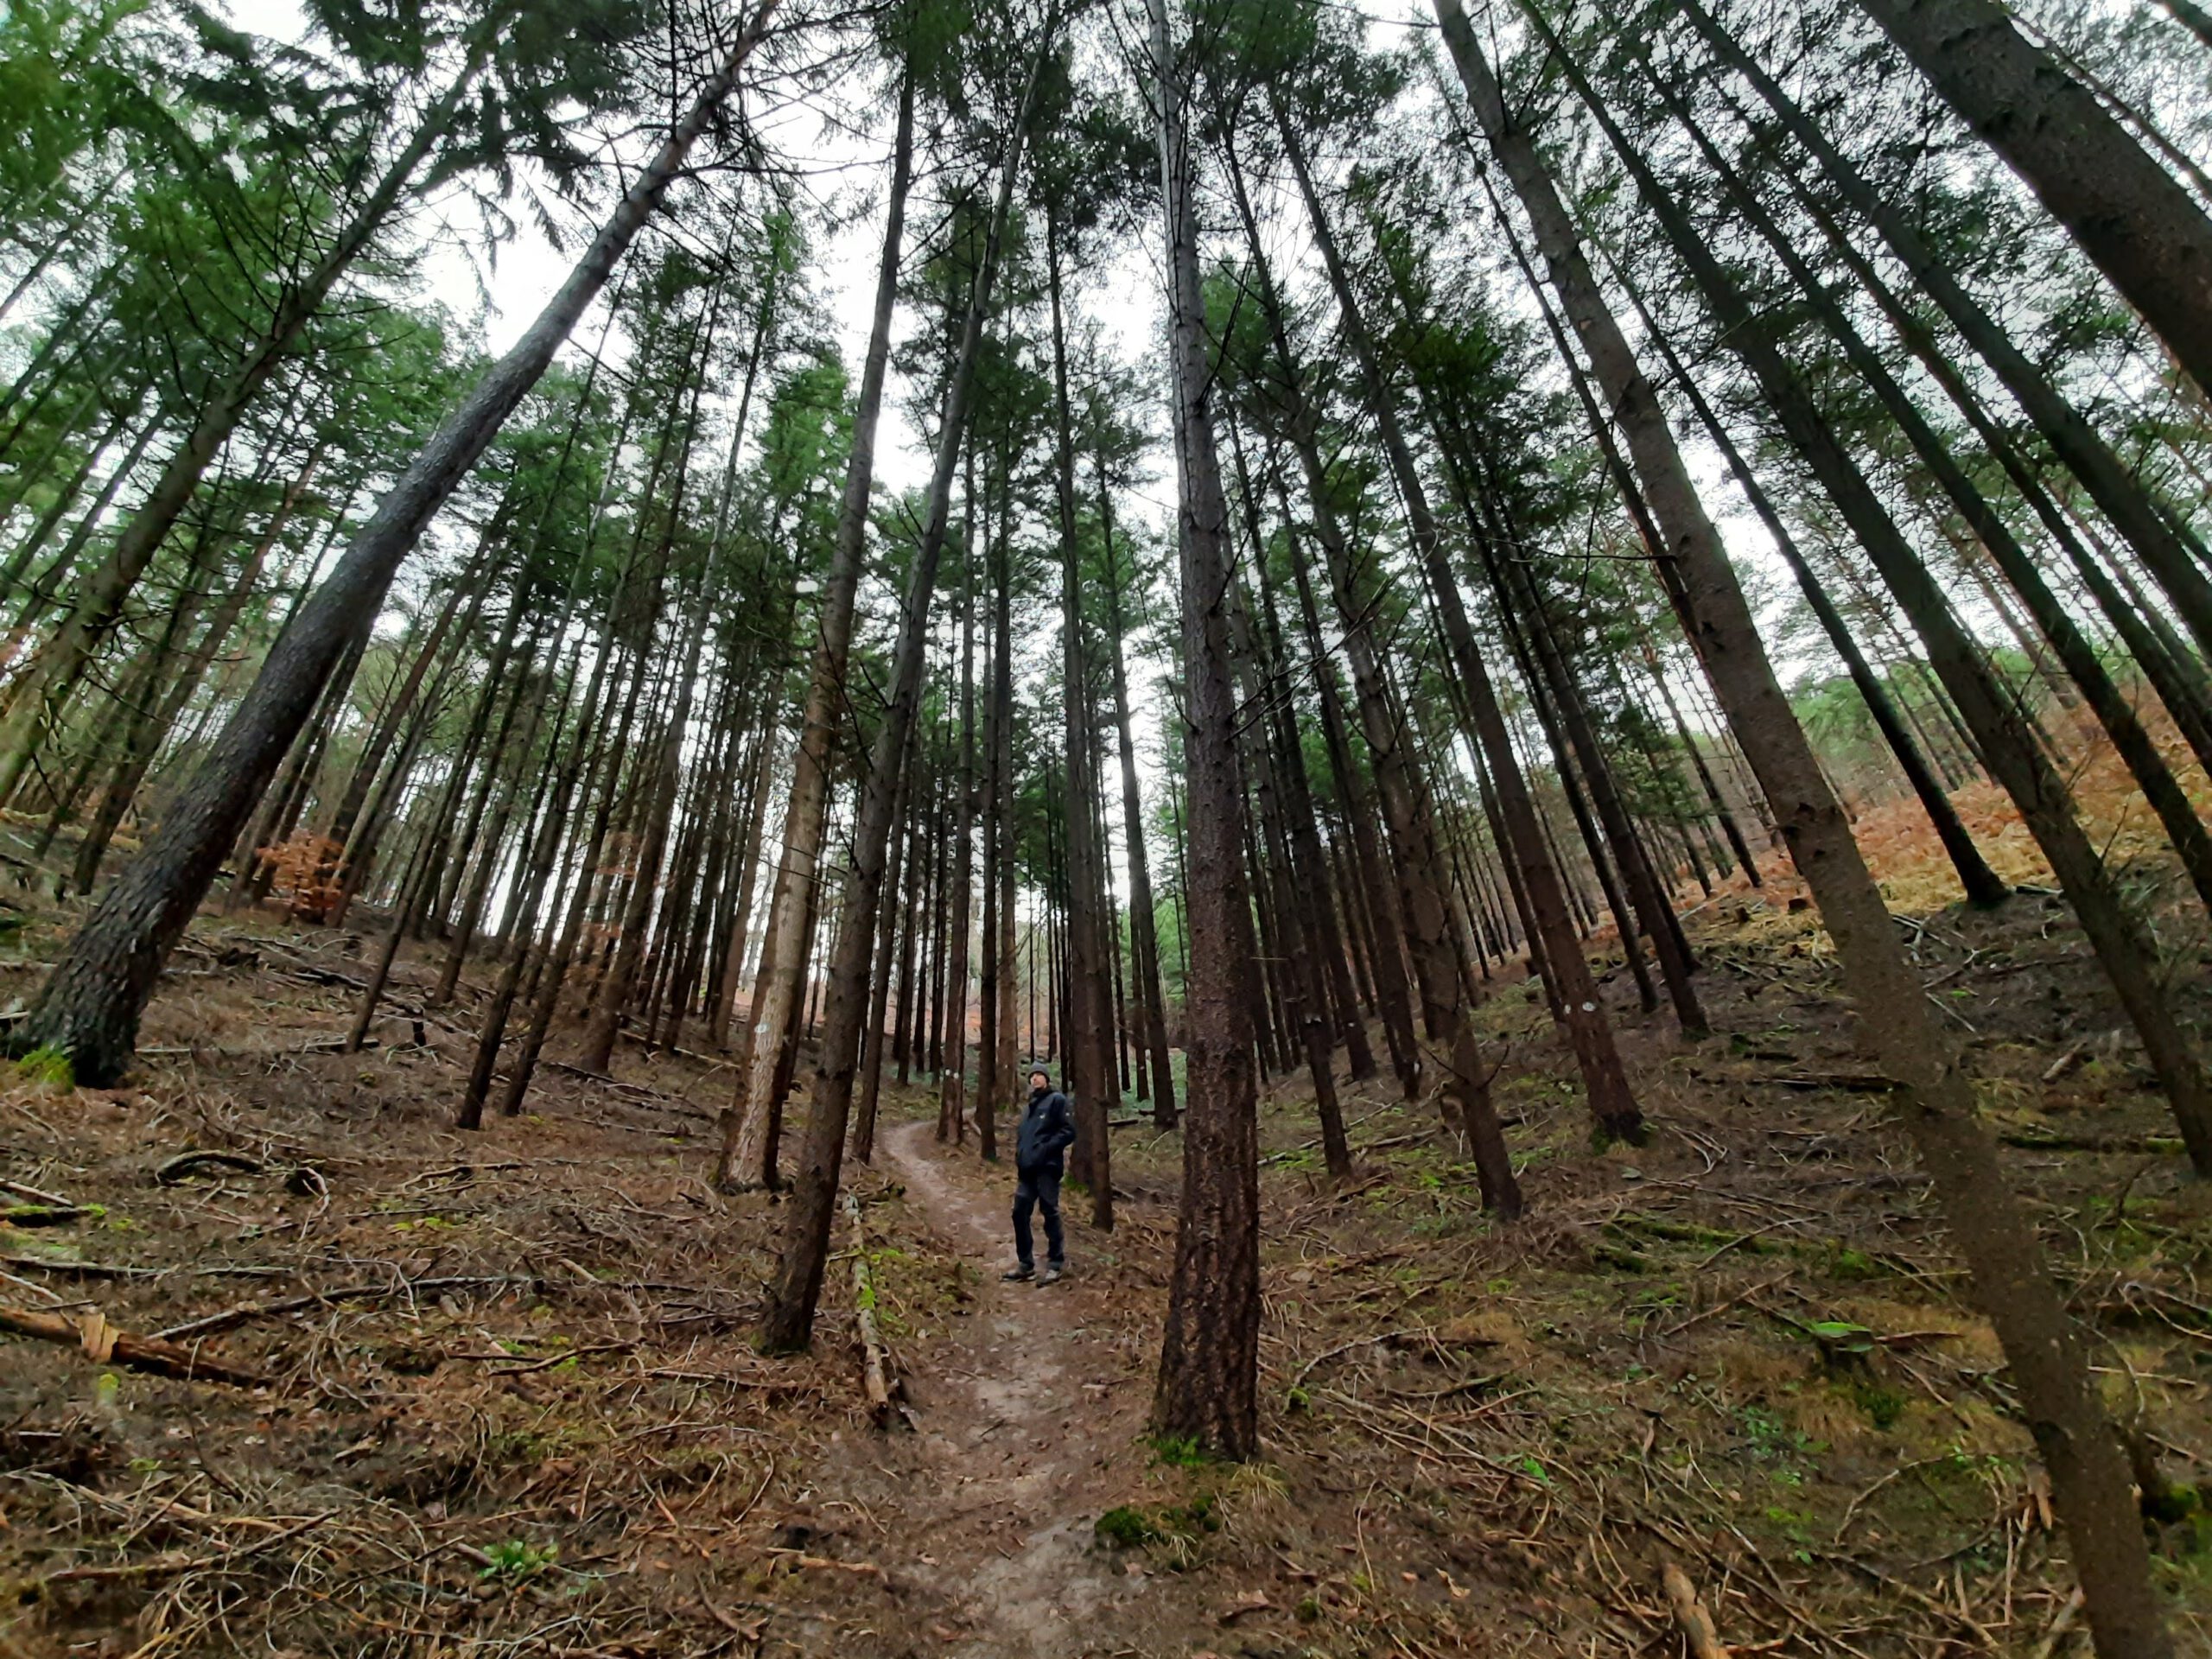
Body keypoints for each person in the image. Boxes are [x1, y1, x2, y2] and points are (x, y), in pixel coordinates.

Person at [1005, 1064, 1075, 1285]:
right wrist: (1021, 1156)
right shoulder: (1029, 1108)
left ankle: (1056, 1263)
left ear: (1046, 1078)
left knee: (1049, 1212)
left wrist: (1045, 1149)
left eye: (1039, 1075)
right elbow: (1024, 1137)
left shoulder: (1057, 1101)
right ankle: (1026, 1264)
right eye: (1032, 1076)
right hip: (1026, 1170)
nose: (1035, 1079)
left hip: (1047, 1168)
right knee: (1019, 1212)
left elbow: (1068, 1131)